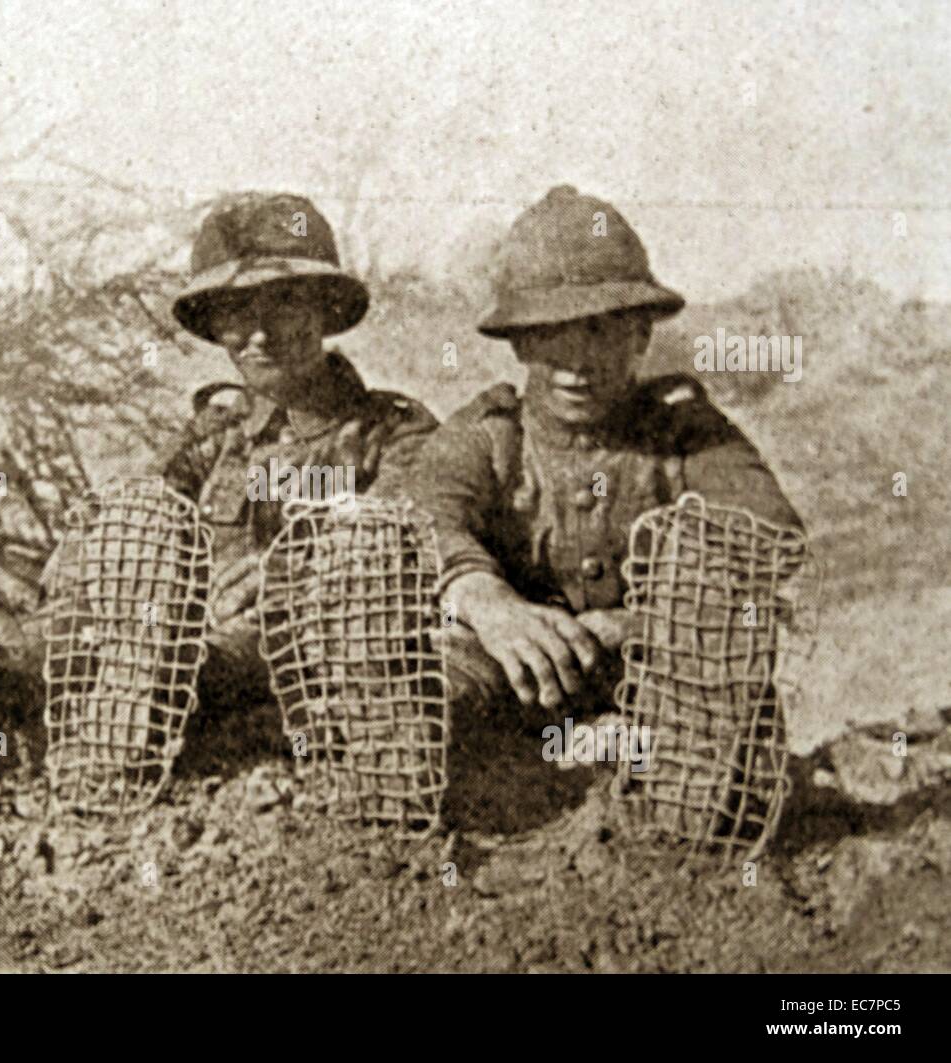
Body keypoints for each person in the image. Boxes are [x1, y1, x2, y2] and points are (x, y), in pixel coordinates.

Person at [394, 185, 802, 722]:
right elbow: (419, 517)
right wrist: (486, 600)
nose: (577, 363)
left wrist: (634, 625)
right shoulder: (491, 433)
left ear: (641, 336)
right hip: (514, 677)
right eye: (552, 336)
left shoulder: (685, 432)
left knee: (719, 688)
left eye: (601, 333)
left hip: (659, 677)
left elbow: (768, 537)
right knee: (418, 702)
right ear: (520, 343)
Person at [149, 190, 437, 708]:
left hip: (328, 669)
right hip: (196, 645)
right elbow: (132, 527)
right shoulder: (212, 437)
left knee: (189, 672)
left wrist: (292, 573)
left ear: (324, 312)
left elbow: (416, 550)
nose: (260, 334)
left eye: (284, 302)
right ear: (215, 325)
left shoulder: (391, 434)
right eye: (236, 309)